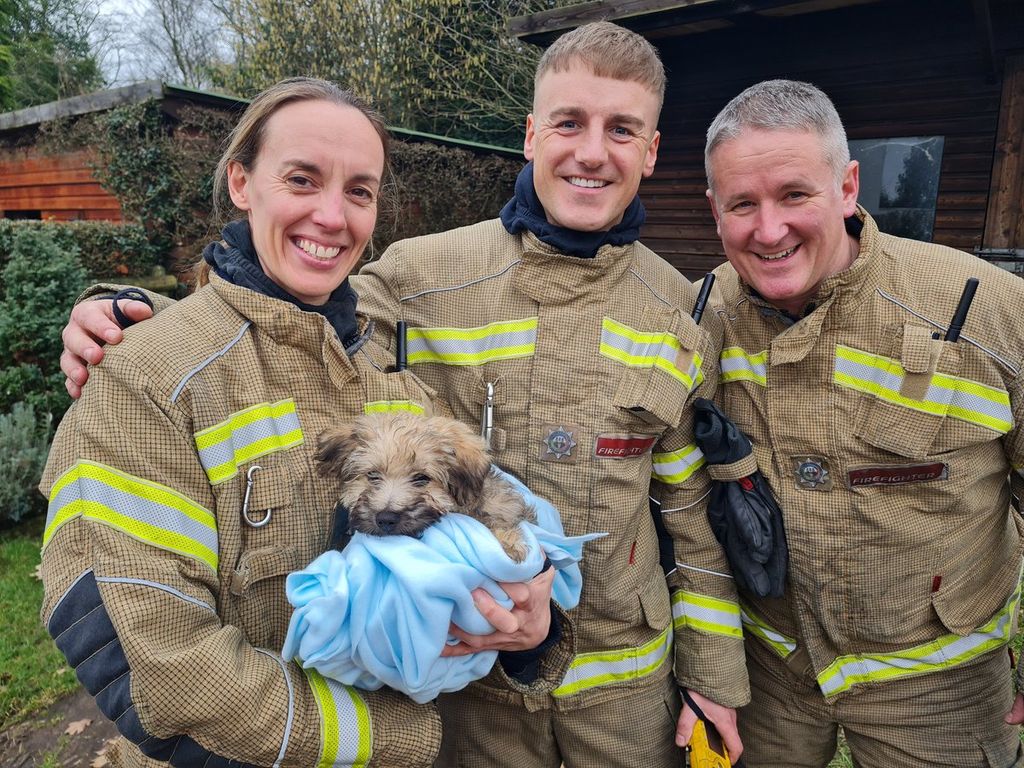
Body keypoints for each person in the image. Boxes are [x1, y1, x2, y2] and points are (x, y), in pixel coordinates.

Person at [56, 22, 750, 767]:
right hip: (466, 715)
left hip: (618, 698)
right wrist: (132, 323)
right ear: (530, 134)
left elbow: (690, 511)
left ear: (650, 150)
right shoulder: (419, 274)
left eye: (622, 129)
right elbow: (289, 330)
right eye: (569, 122)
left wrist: (715, 677)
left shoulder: (679, 306)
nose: (591, 151)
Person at [39, 77, 557, 768]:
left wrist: (532, 631)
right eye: (302, 179)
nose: (332, 217)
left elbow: (457, 571)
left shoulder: (391, 374)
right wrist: (402, 739)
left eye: (359, 191)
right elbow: (164, 667)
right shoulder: (148, 375)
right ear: (241, 182)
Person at [703, 78, 1024, 766]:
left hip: (941, 689)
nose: (769, 229)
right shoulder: (700, 315)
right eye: (742, 204)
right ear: (713, 210)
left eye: (795, 195)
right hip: (769, 671)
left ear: (847, 187)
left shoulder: (988, 308)